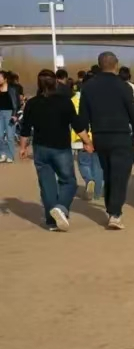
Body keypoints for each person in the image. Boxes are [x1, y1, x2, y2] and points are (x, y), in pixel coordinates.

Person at [17, 69, 91, 231]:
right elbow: (77, 125)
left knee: (47, 184)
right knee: (69, 181)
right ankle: (61, 208)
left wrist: (22, 147)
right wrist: (87, 142)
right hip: (61, 148)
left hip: (40, 148)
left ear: (38, 84)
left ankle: (51, 221)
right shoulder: (65, 102)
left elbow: (25, 129)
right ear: (56, 83)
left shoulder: (32, 103)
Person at [77, 51, 134, 230]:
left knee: (108, 173)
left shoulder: (88, 87)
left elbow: (82, 117)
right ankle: (115, 213)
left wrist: (86, 140)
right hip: (121, 136)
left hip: (100, 137)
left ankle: (111, 209)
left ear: (100, 65)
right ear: (116, 64)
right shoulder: (124, 87)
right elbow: (133, 113)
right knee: (119, 175)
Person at [71, 84, 104, 201]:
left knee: (84, 163)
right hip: (96, 136)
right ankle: (98, 193)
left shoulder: (72, 100)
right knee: (98, 166)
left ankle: (89, 179)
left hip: (79, 137)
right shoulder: (98, 99)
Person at [0, 71, 18, 163]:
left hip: (10, 113)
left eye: (0, 77)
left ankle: (10, 155)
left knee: (10, 136)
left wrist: (15, 115)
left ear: (5, 79)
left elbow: (16, 103)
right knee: (0, 136)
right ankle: (3, 154)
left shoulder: (12, 89)